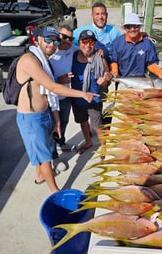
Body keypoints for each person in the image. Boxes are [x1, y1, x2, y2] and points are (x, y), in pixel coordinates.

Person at [16, 26, 97, 193]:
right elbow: (53, 87)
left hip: (45, 112)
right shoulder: (29, 60)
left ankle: (40, 176)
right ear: (38, 39)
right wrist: (83, 94)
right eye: (48, 40)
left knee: (40, 151)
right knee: (44, 156)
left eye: (55, 41)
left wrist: (57, 121)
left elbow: (48, 94)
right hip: (31, 118)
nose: (52, 44)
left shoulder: (45, 60)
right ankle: (55, 191)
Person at [71, 29, 111, 154]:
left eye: (91, 42)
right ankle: (88, 142)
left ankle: (103, 146)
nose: (88, 45)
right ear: (79, 43)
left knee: (97, 124)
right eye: (84, 41)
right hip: (78, 98)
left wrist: (104, 81)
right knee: (83, 121)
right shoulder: (72, 57)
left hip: (94, 99)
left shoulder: (100, 58)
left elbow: (107, 78)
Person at [109, 12, 162, 82]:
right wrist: (115, 73)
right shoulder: (117, 43)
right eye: (129, 27)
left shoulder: (147, 44)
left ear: (140, 27)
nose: (132, 29)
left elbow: (151, 63)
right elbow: (113, 61)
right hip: (123, 79)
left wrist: (159, 72)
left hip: (141, 80)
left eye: (135, 26)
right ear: (125, 28)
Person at [49, 24, 78, 158]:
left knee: (64, 122)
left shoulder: (72, 48)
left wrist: (99, 51)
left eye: (70, 38)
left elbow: (85, 49)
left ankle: (61, 143)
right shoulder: (49, 53)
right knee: (53, 128)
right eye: (64, 37)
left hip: (65, 96)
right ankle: (53, 156)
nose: (67, 41)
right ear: (57, 36)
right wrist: (58, 79)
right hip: (50, 99)